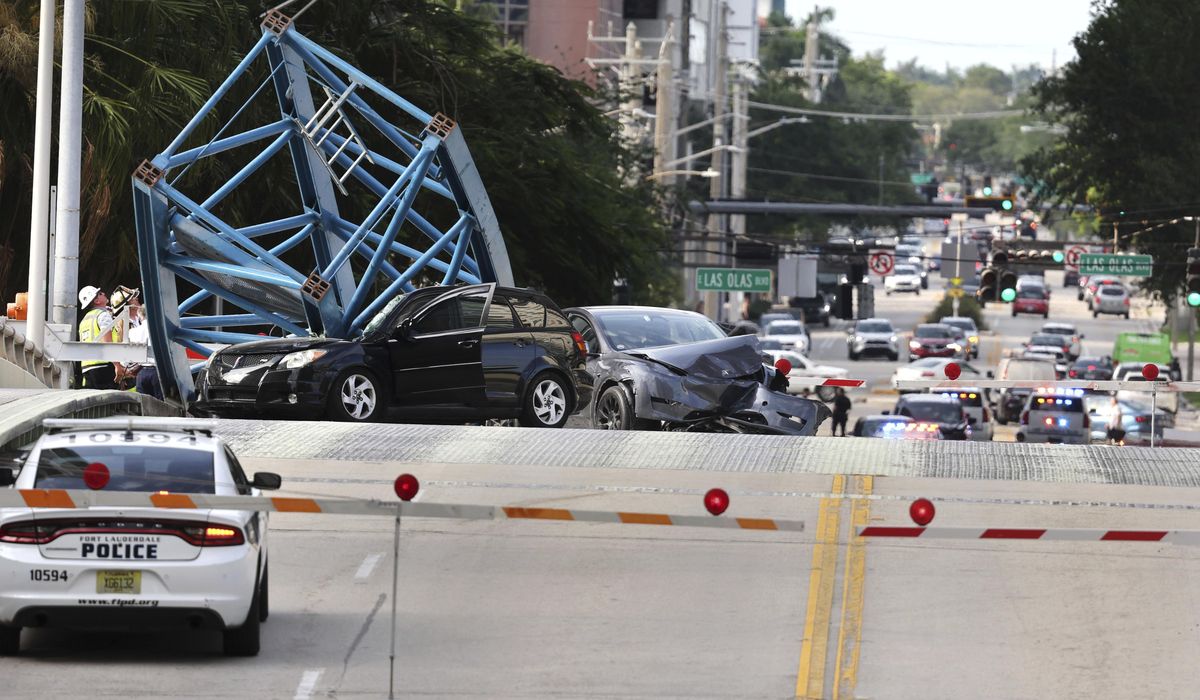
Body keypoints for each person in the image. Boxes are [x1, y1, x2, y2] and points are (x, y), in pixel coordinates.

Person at [78, 285, 121, 389]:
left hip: (87, 368)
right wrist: (117, 365)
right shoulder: (103, 315)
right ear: (96, 301)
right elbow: (107, 343)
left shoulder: (84, 320)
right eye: (100, 293)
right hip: (103, 367)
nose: (104, 293)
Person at [126, 303, 162, 400]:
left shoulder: (132, 332)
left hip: (141, 373)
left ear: (139, 315)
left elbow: (128, 357)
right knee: (162, 406)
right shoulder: (161, 330)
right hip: (158, 373)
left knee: (143, 405)